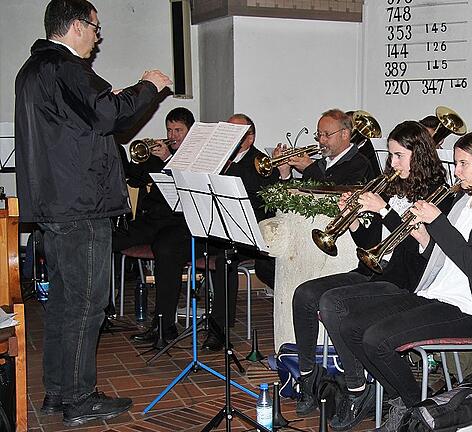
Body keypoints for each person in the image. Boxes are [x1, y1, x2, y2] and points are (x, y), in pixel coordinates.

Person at [14, 0, 171, 426]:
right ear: (76, 26)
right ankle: (80, 398)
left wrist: (112, 97)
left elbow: (83, 119)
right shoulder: (66, 67)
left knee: (65, 303)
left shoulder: (34, 69)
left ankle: (59, 393)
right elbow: (107, 115)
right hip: (80, 206)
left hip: (56, 205)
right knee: (88, 303)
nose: (98, 36)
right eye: (95, 27)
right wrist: (147, 86)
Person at [318, 132, 472, 431]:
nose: (456, 171)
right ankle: (408, 401)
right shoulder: (462, 202)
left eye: (463, 164)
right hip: (434, 293)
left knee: (376, 339)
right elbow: (442, 254)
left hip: (470, 307)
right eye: (455, 163)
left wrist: (437, 221)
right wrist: (423, 237)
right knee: (352, 325)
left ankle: (413, 407)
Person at [291, 121, 447, 427]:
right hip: (373, 270)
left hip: (403, 281)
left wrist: (384, 209)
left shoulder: (434, 192)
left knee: (332, 303)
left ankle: (356, 388)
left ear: (419, 154)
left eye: (399, 156)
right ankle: (308, 380)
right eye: (390, 155)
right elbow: (370, 243)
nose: (392, 163)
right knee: (305, 294)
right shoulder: (390, 184)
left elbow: (419, 248)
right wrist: (353, 223)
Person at [115, 107, 196, 348]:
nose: (173, 135)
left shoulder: (195, 155)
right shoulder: (158, 152)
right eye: (170, 130)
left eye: (179, 130)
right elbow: (136, 178)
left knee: (166, 250)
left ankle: (164, 325)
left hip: (179, 223)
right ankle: (103, 307)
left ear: (190, 132)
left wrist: (167, 161)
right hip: (152, 220)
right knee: (109, 239)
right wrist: (139, 158)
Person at [202, 113, 279, 351]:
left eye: (235, 134)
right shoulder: (218, 158)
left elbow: (264, 201)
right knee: (178, 245)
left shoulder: (261, 162)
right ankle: (166, 322)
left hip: (251, 230)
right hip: (222, 228)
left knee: (224, 261)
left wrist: (230, 166)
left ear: (250, 138)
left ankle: (219, 328)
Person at [276, 109, 375, 185]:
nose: (321, 140)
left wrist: (309, 169)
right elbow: (298, 201)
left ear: (344, 134)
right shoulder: (320, 164)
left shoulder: (360, 165)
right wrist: (285, 173)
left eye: (327, 134)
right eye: (319, 134)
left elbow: (334, 199)